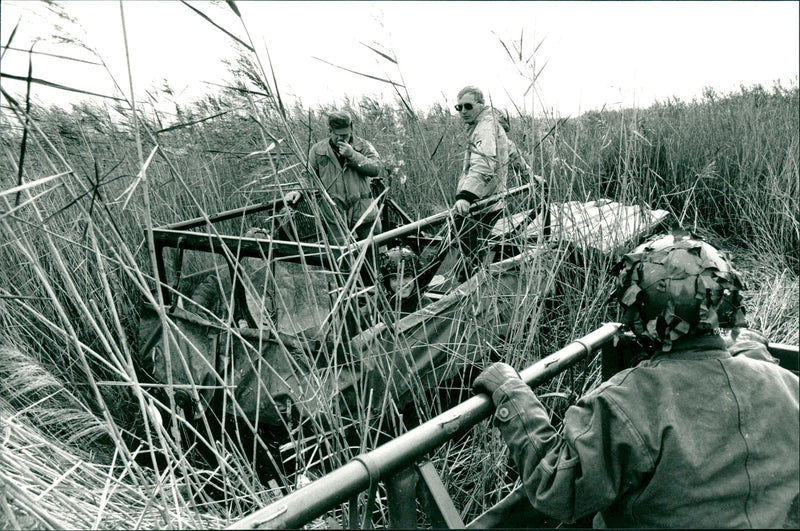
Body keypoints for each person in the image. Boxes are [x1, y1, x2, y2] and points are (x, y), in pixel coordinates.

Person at [473, 232, 800, 528]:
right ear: (725, 301)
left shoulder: (623, 401)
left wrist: (512, 395)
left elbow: (559, 490)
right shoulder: (787, 384)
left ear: (639, 314)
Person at [285, 111, 384, 245]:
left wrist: (352, 155)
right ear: (330, 131)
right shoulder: (318, 150)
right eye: (338, 135)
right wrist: (298, 190)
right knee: (342, 256)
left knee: (372, 251)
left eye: (346, 135)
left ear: (351, 130)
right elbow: (308, 175)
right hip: (335, 213)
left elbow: (376, 169)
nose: (342, 139)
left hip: (364, 210)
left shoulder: (363, 146)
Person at [452, 85, 509, 281]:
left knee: (470, 251)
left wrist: (466, 196)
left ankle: (468, 288)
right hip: (491, 200)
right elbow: (511, 150)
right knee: (476, 247)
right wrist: (528, 173)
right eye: (459, 108)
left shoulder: (484, 127)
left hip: (481, 203)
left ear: (481, 105)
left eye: (468, 106)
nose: (463, 111)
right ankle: (473, 279)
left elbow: (484, 163)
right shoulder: (488, 124)